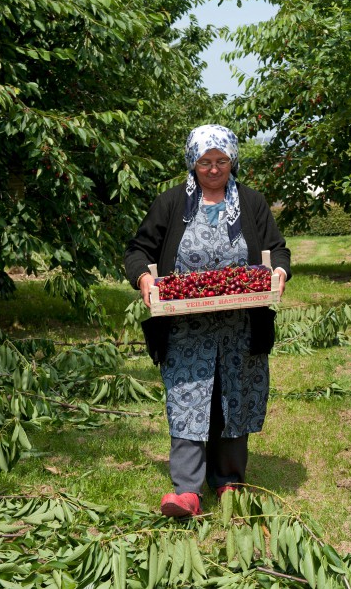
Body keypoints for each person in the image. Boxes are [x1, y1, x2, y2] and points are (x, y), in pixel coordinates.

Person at [124, 124, 291, 518]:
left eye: (221, 161)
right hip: (185, 328)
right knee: (188, 397)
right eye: (205, 162)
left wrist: (279, 273)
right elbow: (138, 250)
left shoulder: (251, 202)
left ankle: (229, 480)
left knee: (235, 396)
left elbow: (276, 248)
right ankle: (187, 491)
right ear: (192, 162)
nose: (214, 169)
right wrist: (145, 278)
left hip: (240, 325)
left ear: (233, 160)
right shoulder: (171, 203)